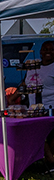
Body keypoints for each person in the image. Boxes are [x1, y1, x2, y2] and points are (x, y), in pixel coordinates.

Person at [37, 41, 54, 169]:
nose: (48, 51)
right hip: (35, 108)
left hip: (51, 106)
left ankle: (50, 159)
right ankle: (50, 160)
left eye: (51, 49)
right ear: (41, 51)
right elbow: (24, 85)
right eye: (45, 49)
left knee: (51, 136)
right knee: (39, 134)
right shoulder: (34, 66)